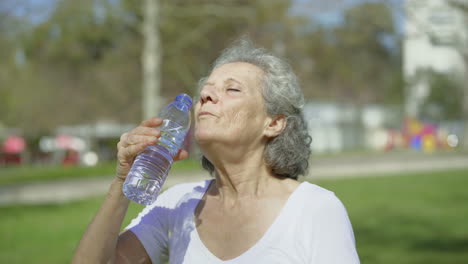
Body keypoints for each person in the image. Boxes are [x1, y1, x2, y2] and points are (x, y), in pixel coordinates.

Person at [72, 39, 360, 264]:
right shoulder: (178, 204)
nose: (206, 97)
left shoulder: (314, 209)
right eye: (206, 91)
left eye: (232, 90)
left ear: (273, 122)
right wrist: (122, 182)